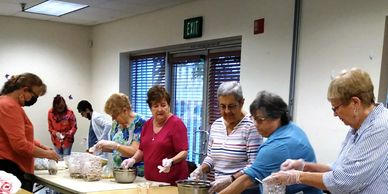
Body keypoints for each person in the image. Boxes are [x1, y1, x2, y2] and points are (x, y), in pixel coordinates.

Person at [263, 68, 388, 194]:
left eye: (336, 108)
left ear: (355, 102)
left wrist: (297, 176)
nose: (334, 114)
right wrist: (305, 166)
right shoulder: (358, 126)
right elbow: (337, 169)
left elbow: (344, 181)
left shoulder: (380, 127)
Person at [220, 91, 322, 194]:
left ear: (277, 117)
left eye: (260, 120)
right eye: (254, 119)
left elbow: (245, 181)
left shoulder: (277, 146)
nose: (255, 124)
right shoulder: (292, 129)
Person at [189, 81, 263, 194]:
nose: (227, 111)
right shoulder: (216, 125)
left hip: (243, 190)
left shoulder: (251, 127)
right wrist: (200, 169)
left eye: (232, 106)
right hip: (220, 190)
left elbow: (254, 166)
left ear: (242, 102)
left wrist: (230, 179)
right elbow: (211, 157)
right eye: (223, 106)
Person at [0, 73, 60, 191]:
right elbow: (20, 145)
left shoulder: (6, 103)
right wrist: (48, 154)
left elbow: (20, 137)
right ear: (25, 90)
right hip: (13, 169)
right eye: (34, 96)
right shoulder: (9, 106)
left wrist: (43, 148)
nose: (34, 100)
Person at [121, 85, 189, 185]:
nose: (160, 109)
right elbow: (142, 150)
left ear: (169, 106)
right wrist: (133, 159)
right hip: (150, 181)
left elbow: (183, 152)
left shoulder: (177, 124)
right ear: (151, 108)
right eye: (155, 106)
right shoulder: (147, 125)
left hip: (171, 183)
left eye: (163, 105)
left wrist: (171, 161)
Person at [93, 93, 145, 169]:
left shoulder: (140, 123)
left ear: (125, 110)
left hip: (135, 173)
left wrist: (115, 145)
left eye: (114, 115)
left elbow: (136, 151)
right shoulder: (116, 124)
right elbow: (116, 150)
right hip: (119, 171)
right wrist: (100, 147)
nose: (113, 119)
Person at [48, 94, 78, 159]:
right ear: (55, 107)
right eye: (58, 108)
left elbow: (74, 127)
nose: (60, 110)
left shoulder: (70, 112)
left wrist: (67, 134)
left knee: (66, 158)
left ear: (64, 104)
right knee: (58, 158)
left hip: (68, 140)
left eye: (62, 107)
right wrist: (55, 133)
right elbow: (50, 128)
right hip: (56, 140)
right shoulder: (50, 113)